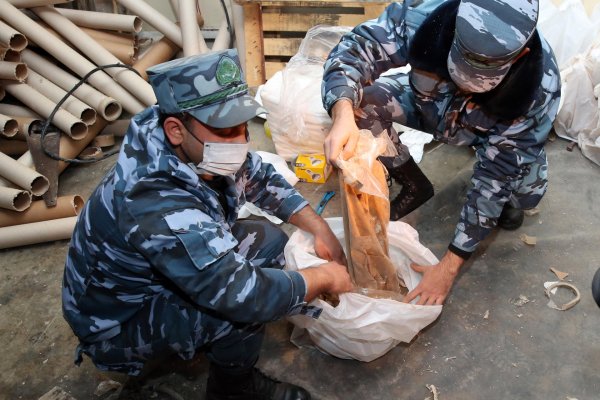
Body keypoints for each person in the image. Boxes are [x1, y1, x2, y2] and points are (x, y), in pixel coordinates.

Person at [62, 49, 353, 400]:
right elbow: (241, 295)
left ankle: (206, 344)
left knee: (269, 242)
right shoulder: (152, 198)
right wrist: (323, 277)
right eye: (228, 130)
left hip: (157, 281)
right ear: (175, 129)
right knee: (238, 309)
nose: (242, 141)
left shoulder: (195, 147)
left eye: (245, 127)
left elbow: (259, 178)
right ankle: (234, 390)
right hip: (119, 323)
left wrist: (319, 228)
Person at [322, 0, 561, 306]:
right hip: (432, 108)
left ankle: (511, 197)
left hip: (493, 130)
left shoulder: (540, 89)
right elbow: (355, 50)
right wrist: (342, 112)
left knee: (523, 191)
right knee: (361, 105)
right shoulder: (423, 15)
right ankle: (414, 183)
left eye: (484, 70)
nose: (469, 80)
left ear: (521, 55)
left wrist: (448, 267)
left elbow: (496, 176)